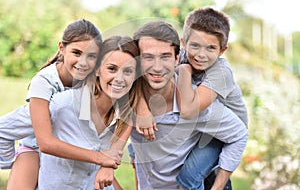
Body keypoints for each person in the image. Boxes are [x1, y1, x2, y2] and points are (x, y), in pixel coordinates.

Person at [0, 19, 118, 189]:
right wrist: (13, 160)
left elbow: (130, 94)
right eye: (77, 53)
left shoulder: (93, 80)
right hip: (36, 148)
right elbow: (43, 142)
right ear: (62, 48)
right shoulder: (44, 81)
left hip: (72, 148)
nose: (83, 62)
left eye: (91, 56)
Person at [130, 20, 248, 189]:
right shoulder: (126, 93)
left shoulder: (202, 99)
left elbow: (239, 134)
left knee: (190, 178)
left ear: (177, 58)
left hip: (216, 145)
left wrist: (218, 186)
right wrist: (141, 108)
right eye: (148, 57)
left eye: (165, 56)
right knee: (135, 150)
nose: (157, 67)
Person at [36, 35, 140, 189]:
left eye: (128, 71)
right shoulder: (62, 104)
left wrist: (107, 165)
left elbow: (111, 157)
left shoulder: (125, 114)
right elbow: (25, 136)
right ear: (97, 69)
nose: (119, 78)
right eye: (112, 69)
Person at [176, 7, 248, 190]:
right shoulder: (179, 56)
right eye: (195, 46)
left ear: (222, 50)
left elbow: (188, 110)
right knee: (201, 174)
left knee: (189, 177)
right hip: (203, 127)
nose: (201, 54)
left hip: (225, 136)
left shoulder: (221, 72)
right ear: (183, 43)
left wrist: (184, 71)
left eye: (211, 48)